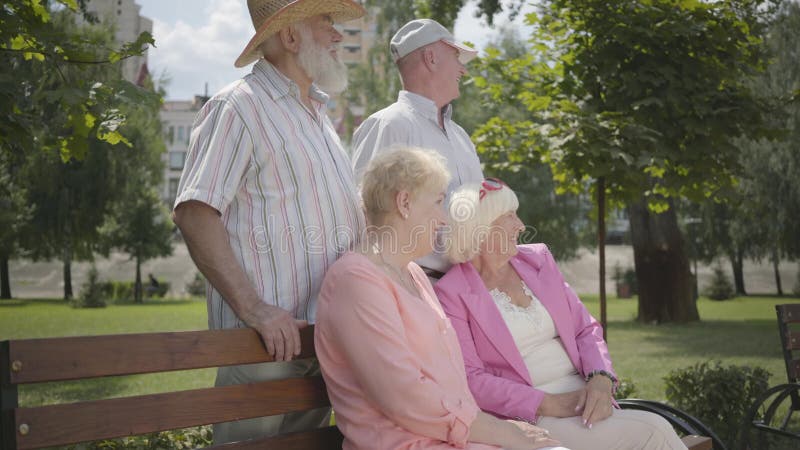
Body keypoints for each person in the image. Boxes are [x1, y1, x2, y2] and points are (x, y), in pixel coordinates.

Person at [172, 0, 366, 444]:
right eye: (327, 22)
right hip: (261, 344)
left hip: (321, 341)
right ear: (290, 36)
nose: (338, 35)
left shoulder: (319, 117)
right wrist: (255, 309)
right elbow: (195, 212)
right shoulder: (238, 107)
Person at [315, 147, 566, 450]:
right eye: (437, 202)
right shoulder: (355, 281)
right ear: (404, 203)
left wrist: (496, 428)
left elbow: (448, 386)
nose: (444, 219)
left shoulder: (413, 274)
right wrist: (505, 434)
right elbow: (404, 397)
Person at [434, 180, 688, 450]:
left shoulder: (539, 260)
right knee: (653, 431)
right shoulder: (452, 292)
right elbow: (472, 379)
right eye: (509, 216)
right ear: (480, 228)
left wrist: (601, 379)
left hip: (585, 397)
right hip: (532, 415)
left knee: (654, 429)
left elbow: (585, 329)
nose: (520, 225)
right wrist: (548, 403)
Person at [351, 18, 483, 279]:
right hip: (415, 288)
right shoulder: (389, 125)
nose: (463, 70)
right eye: (456, 56)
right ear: (431, 58)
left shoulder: (461, 137)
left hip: (467, 288)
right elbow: (363, 218)